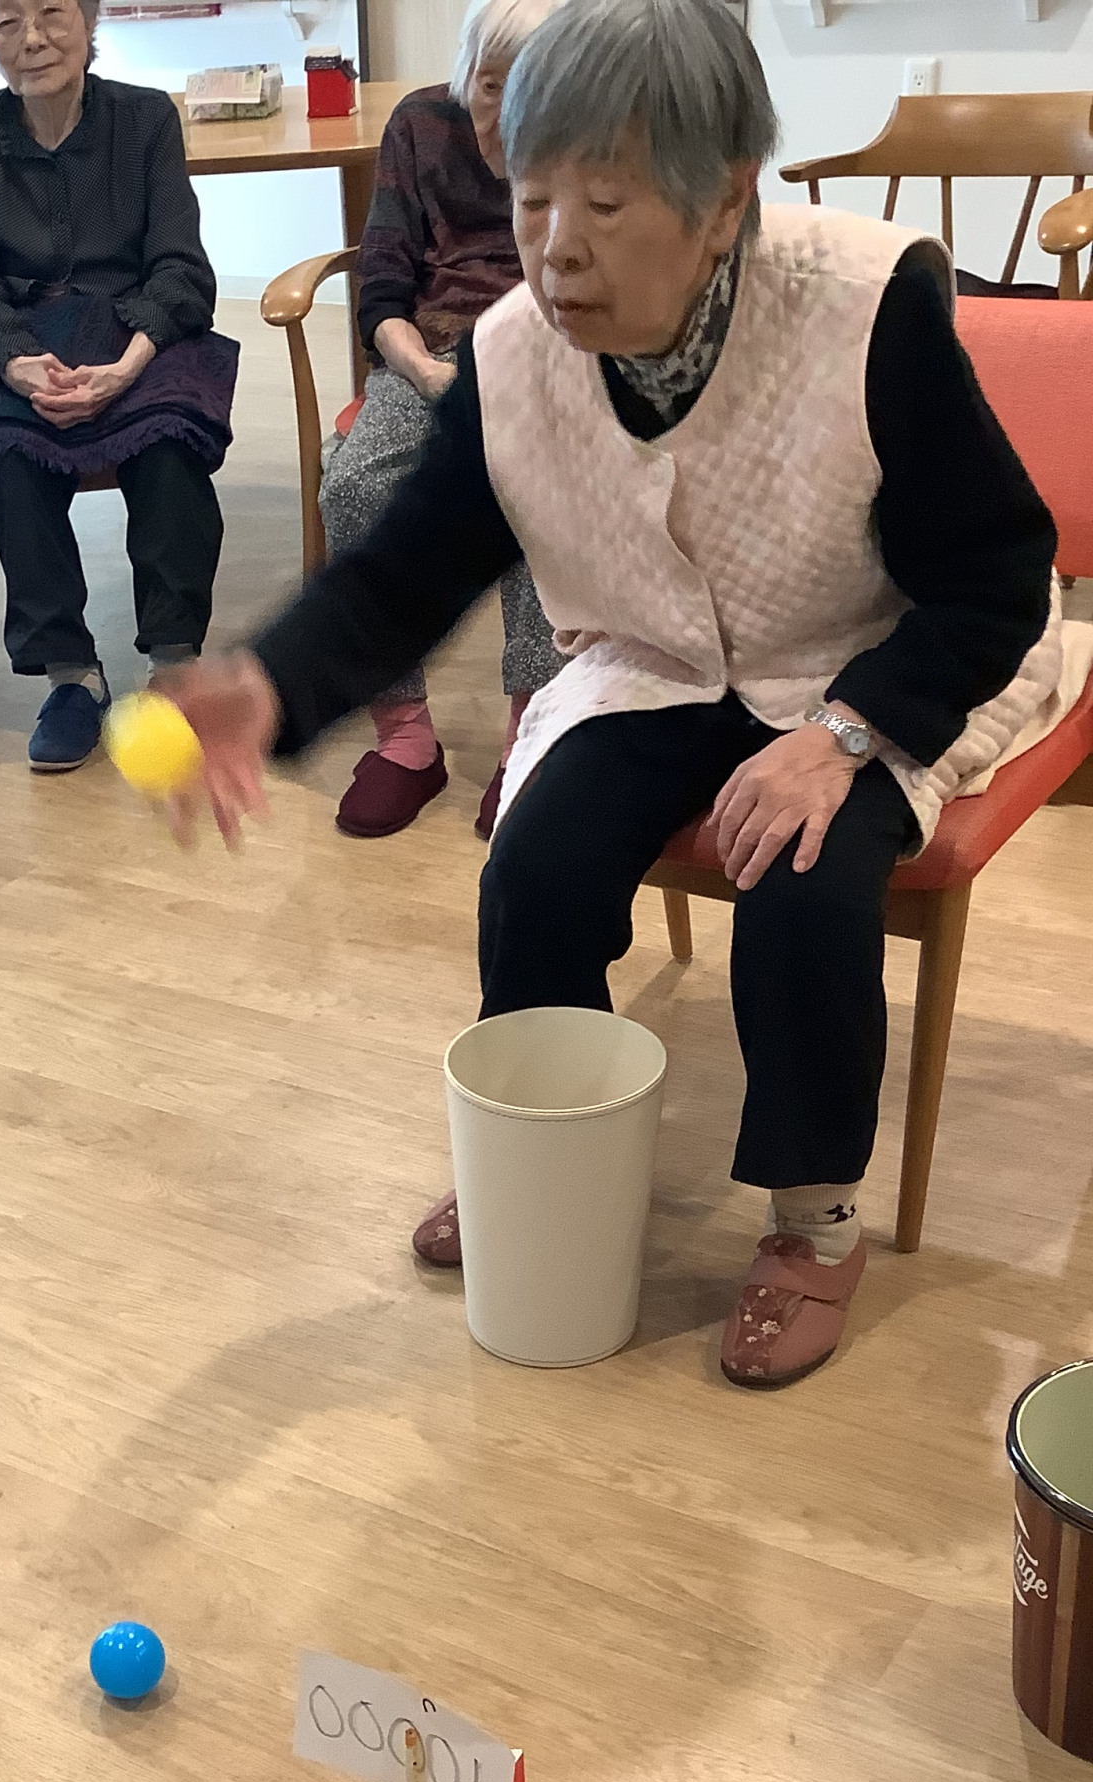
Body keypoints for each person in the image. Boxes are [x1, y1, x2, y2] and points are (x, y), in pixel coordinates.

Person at [161, 0, 1074, 1388]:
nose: (557, 247)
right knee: (535, 865)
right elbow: (408, 571)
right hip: (665, 658)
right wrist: (267, 683)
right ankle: (549, 1138)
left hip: (868, 661)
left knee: (804, 884)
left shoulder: (863, 306)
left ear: (725, 203)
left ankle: (815, 1222)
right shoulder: (515, 352)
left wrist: (842, 736)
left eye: (604, 203)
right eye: (533, 200)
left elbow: (999, 577)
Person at [0, 0, 234, 773]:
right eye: (6, 22)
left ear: (91, 23)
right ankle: (70, 676)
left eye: (53, 12)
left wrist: (129, 364)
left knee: (168, 442)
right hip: (26, 334)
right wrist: (15, 363)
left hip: (136, 325)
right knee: (9, 446)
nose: (32, 39)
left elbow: (180, 265)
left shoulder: (146, 120)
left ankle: (174, 662)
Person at [322, 0, 566, 840]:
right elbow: (383, 282)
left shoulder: (585, 135)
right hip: (430, 354)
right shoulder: (420, 124)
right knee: (353, 485)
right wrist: (424, 369)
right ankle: (404, 739)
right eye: (492, 85)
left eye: (531, 85)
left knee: (537, 493)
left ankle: (531, 732)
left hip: (547, 354)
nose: (507, 109)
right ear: (466, 75)